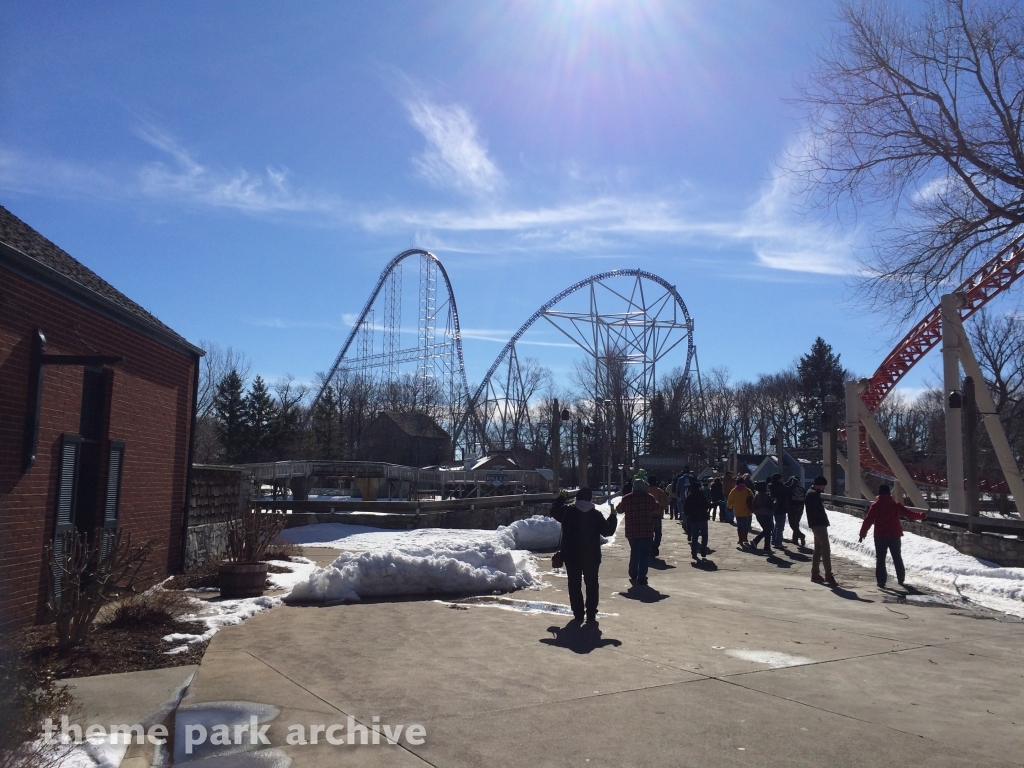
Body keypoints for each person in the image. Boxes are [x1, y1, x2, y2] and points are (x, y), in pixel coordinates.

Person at [546, 488, 618, 622]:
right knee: (592, 583)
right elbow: (608, 531)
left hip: (571, 555)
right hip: (592, 555)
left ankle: (578, 612)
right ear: (590, 499)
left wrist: (561, 497)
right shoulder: (595, 514)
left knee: (574, 583)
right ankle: (591, 612)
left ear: (577, 498)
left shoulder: (568, 511)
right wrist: (613, 515)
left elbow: (554, 511)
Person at [859, 485, 927, 588]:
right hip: (894, 535)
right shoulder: (896, 505)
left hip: (880, 535)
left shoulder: (875, 506)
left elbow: (868, 520)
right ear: (889, 493)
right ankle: (901, 579)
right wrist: (922, 515)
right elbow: (910, 514)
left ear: (879, 493)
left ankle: (881, 581)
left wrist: (862, 533)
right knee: (897, 557)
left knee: (880, 558)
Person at [618, 475, 662, 586]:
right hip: (646, 530)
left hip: (631, 530)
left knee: (634, 552)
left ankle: (633, 573)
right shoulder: (649, 498)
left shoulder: (627, 498)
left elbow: (619, 509)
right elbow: (657, 507)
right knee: (644, 554)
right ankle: (642, 576)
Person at [804, 475, 837, 585]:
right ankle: (828, 575)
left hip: (816, 524)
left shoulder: (810, 493)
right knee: (825, 549)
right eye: (823, 486)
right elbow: (816, 512)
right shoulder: (813, 494)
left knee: (818, 550)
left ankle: (815, 573)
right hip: (819, 525)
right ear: (819, 485)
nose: (823, 488)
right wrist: (822, 522)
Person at [684, 481, 712, 560]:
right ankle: (703, 547)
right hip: (702, 518)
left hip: (693, 519)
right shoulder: (701, 496)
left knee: (695, 535)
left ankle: (694, 552)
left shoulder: (689, 497)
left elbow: (685, 510)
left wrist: (688, 514)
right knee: (704, 534)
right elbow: (707, 505)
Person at [749, 481, 775, 553]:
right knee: (768, 530)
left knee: (766, 530)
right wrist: (775, 503)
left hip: (759, 515)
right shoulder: (766, 496)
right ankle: (764, 546)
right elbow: (771, 506)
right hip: (766, 514)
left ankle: (760, 543)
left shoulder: (757, 496)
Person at [647, 474, 669, 559]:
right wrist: (661, 508)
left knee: (649, 534)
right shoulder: (660, 491)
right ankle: (655, 545)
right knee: (658, 533)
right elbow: (665, 503)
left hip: (647, 516)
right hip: (657, 515)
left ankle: (650, 546)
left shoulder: (646, 491)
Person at [727, 478, 754, 546]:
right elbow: (753, 499)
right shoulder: (748, 490)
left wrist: (729, 507)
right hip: (746, 511)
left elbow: (730, 500)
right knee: (746, 525)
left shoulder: (733, 491)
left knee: (740, 525)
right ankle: (745, 538)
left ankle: (740, 539)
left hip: (737, 511)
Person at [769, 473, 790, 548]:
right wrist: (793, 484)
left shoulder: (773, 485)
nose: (783, 479)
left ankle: (774, 540)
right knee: (780, 526)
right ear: (778, 479)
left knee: (777, 524)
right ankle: (778, 542)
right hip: (781, 508)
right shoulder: (779, 486)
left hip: (775, 508)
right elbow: (788, 490)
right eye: (781, 478)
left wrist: (789, 483)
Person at [787, 477, 807, 546]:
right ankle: (795, 539)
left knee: (792, 524)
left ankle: (801, 535)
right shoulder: (802, 490)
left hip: (792, 508)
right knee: (796, 523)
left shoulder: (790, 489)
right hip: (800, 508)